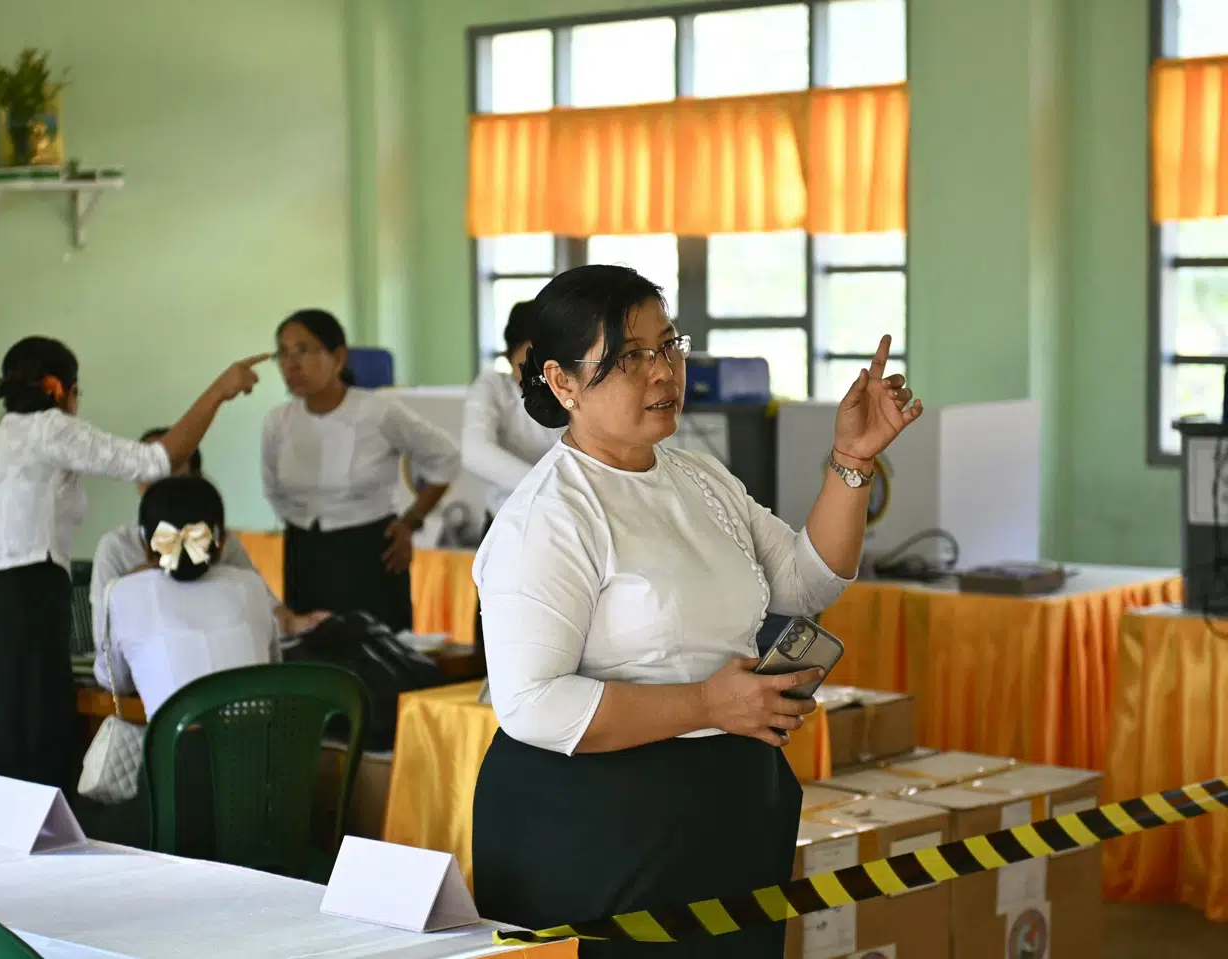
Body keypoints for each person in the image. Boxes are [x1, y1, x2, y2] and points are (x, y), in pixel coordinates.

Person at [471, 265, 922, 958]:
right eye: (630, 356)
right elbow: (531, 703)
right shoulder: (548, 518)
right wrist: (709, 704)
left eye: (669, 345)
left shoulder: (697, 476)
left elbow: (806, 581)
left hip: (728, 806)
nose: (663, 372)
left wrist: (850, 460)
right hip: (603, 824)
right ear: (562, 382)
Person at [0, 336, 266, 810]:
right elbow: (158, 461)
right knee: (27, 762)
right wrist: (219, 390)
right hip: (19, 608)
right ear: (65, 390)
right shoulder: (51, 430)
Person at [261, 309, 461, 632]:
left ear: (338, 357)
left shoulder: (377, 411)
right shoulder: (277, 422)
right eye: (282, 354)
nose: (290, 364)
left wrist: (412, 521)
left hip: (370, 553)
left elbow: (446, 456)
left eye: (303, 351)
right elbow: (274, 489)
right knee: (314, 658)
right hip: (305, 554)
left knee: (379, 662)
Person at [89, 427, 327, 650]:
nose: (158, 486)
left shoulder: (223, 542)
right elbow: (104, 638)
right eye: (148, 474)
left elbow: (266, 607)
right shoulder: (115, 547)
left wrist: (296, 623)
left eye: (171, 474)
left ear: (196, 480)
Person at [94, 476, 283, 720]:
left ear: (144, 542)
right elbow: (272, 666)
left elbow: (113, 680)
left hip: (176, 755)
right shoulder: (252, 586)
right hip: (263, 753)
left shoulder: (122, 593)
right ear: (223, 540)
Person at [461, 300, 564, 528]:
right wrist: (550, 488)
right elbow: (475, 452)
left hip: (564, 523)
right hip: (506, 520)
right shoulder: (493, 386)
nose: (536, 376)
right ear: (508, 357)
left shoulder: (571, 388)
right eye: (525, 365)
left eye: (544, 365)